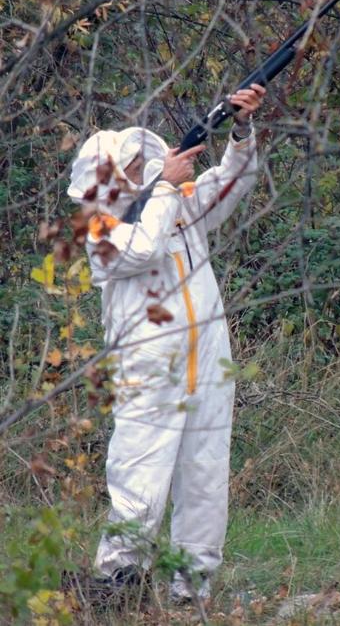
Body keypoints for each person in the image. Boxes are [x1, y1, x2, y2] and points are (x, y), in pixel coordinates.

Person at [66, 84, 265, 602]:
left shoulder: (171, 204)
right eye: (130, 168)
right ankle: (116, 585)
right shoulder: (101, 229)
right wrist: (161, 190)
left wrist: (240, 132)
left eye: (140, 164)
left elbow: (229, 185)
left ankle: (190, 593)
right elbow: (145, 248)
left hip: (209, 362)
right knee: (140, 475)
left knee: (205, 478)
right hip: (149, 369)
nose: (141, 170)